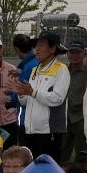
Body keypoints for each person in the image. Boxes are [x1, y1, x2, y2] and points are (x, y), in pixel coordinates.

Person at [13, 31, 70, 160]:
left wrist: (33, 92)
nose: (36, 49)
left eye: (41, 45)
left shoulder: (61, 69)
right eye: (36, 45)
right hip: (30, 131)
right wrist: (21, 93)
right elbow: (26, 102)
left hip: (49, 133)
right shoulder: (35, 70)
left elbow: (57, 99)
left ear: (53, 48)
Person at [62, 40, 87, 162]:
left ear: (84, 54)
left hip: (82, 117)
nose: (74, 55)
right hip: (65, 117)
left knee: (82, 153)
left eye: (77, 52)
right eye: (71, 52)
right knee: (62, 152)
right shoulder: (63, 71)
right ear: (67, 54)